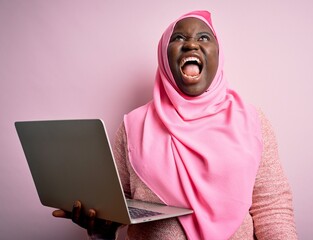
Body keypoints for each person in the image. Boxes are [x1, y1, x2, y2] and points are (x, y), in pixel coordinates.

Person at [53, 10, 298, 240]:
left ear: (218, 54)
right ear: (163, 55)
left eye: (204, 37)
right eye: (179, 38)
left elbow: (272, 207)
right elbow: (117, 207)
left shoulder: (252, 121)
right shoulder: (133, 126)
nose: (192, 44)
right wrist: (101, 229)